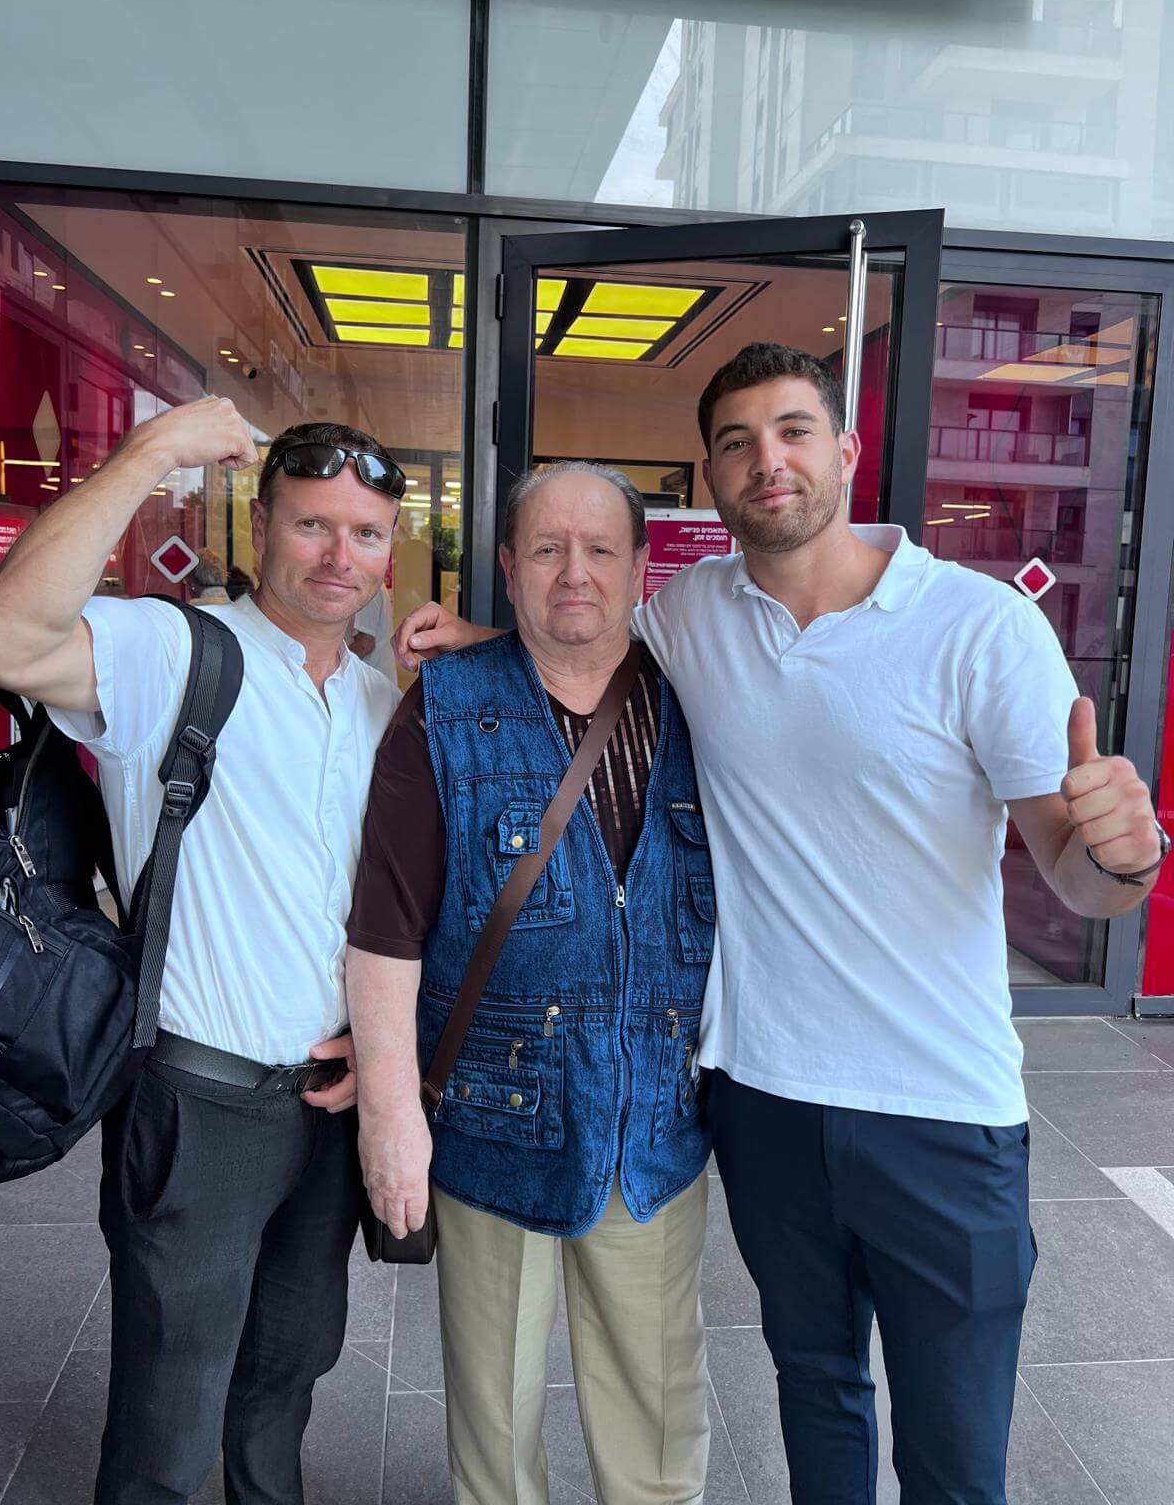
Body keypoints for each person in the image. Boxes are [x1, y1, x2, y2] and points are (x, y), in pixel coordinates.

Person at [394, 344, 1169, 1505]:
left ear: (846, 450)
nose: (770, 460)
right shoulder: (693, 615)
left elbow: (1077, 869)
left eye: (795, 430)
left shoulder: (978, 627)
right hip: (763, 1097)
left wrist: (1124, 854)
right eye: (738, 442)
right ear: (710, 476)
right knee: (817, 1394)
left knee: (956, 1451)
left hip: (941, 1109)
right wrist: (473, 646)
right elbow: (576, 637)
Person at [0, 405, 407, 1505]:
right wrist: (151, 452)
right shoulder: (179, 652)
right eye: (311, 524)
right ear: (259, 527)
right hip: (198, 1104)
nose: (339, 555)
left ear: (390, 551)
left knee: (286, 1380)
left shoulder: (380, 701)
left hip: (330, 1105)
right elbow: (4, 638)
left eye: (364, 533)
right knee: (171, 1416)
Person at [347, 461, 714, 1505]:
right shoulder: (446, 707)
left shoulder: (700, 705)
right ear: (508, 568)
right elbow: (386, 927)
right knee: (494, 1430)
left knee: (657, 1431)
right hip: (492, 1121)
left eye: (600, 549)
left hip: (653, 1127)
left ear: (641, 568)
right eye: (548, 549)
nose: (575, 573)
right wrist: (391, 1115)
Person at [349, 581, 397, 682]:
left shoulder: (369, 587)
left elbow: (365, 645)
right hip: (371, 678)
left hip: (371, 679)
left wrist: (330, 663)